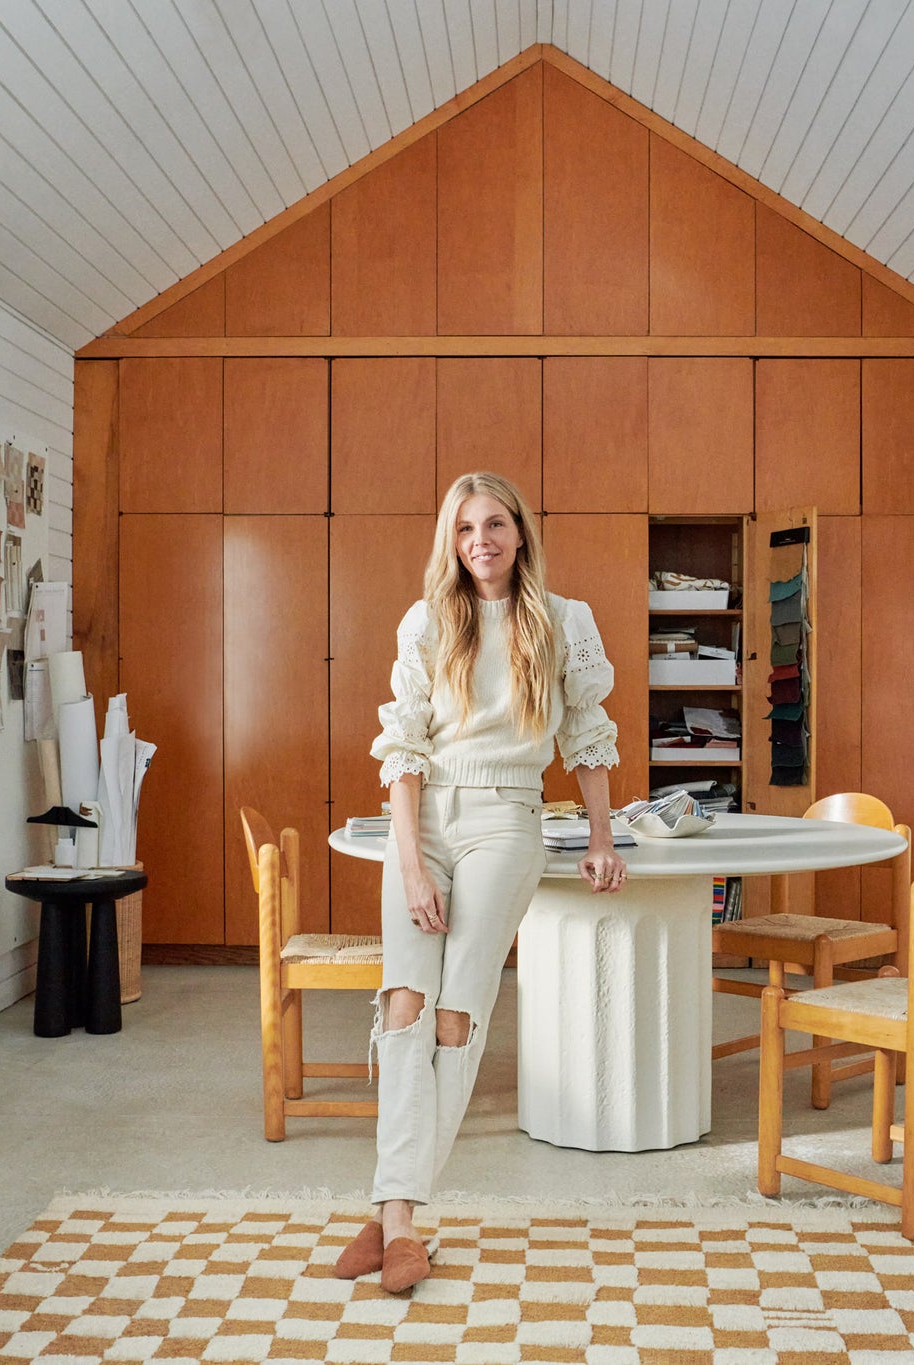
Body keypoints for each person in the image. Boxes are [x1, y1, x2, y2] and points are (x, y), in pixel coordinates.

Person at [334, 471, 625, 1293]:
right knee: (403, 1002)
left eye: (494, 524)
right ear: (451, 542)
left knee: (457, 1010)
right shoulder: (427, 621)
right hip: (425, 822)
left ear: (520, 531)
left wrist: (603, 838)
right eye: (465, 530)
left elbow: (588, 733)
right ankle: (401, 1219)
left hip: (507, 817)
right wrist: (411, 861)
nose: (481, 542)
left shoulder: (566, 622)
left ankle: (392, 1212)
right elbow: (403, 747)